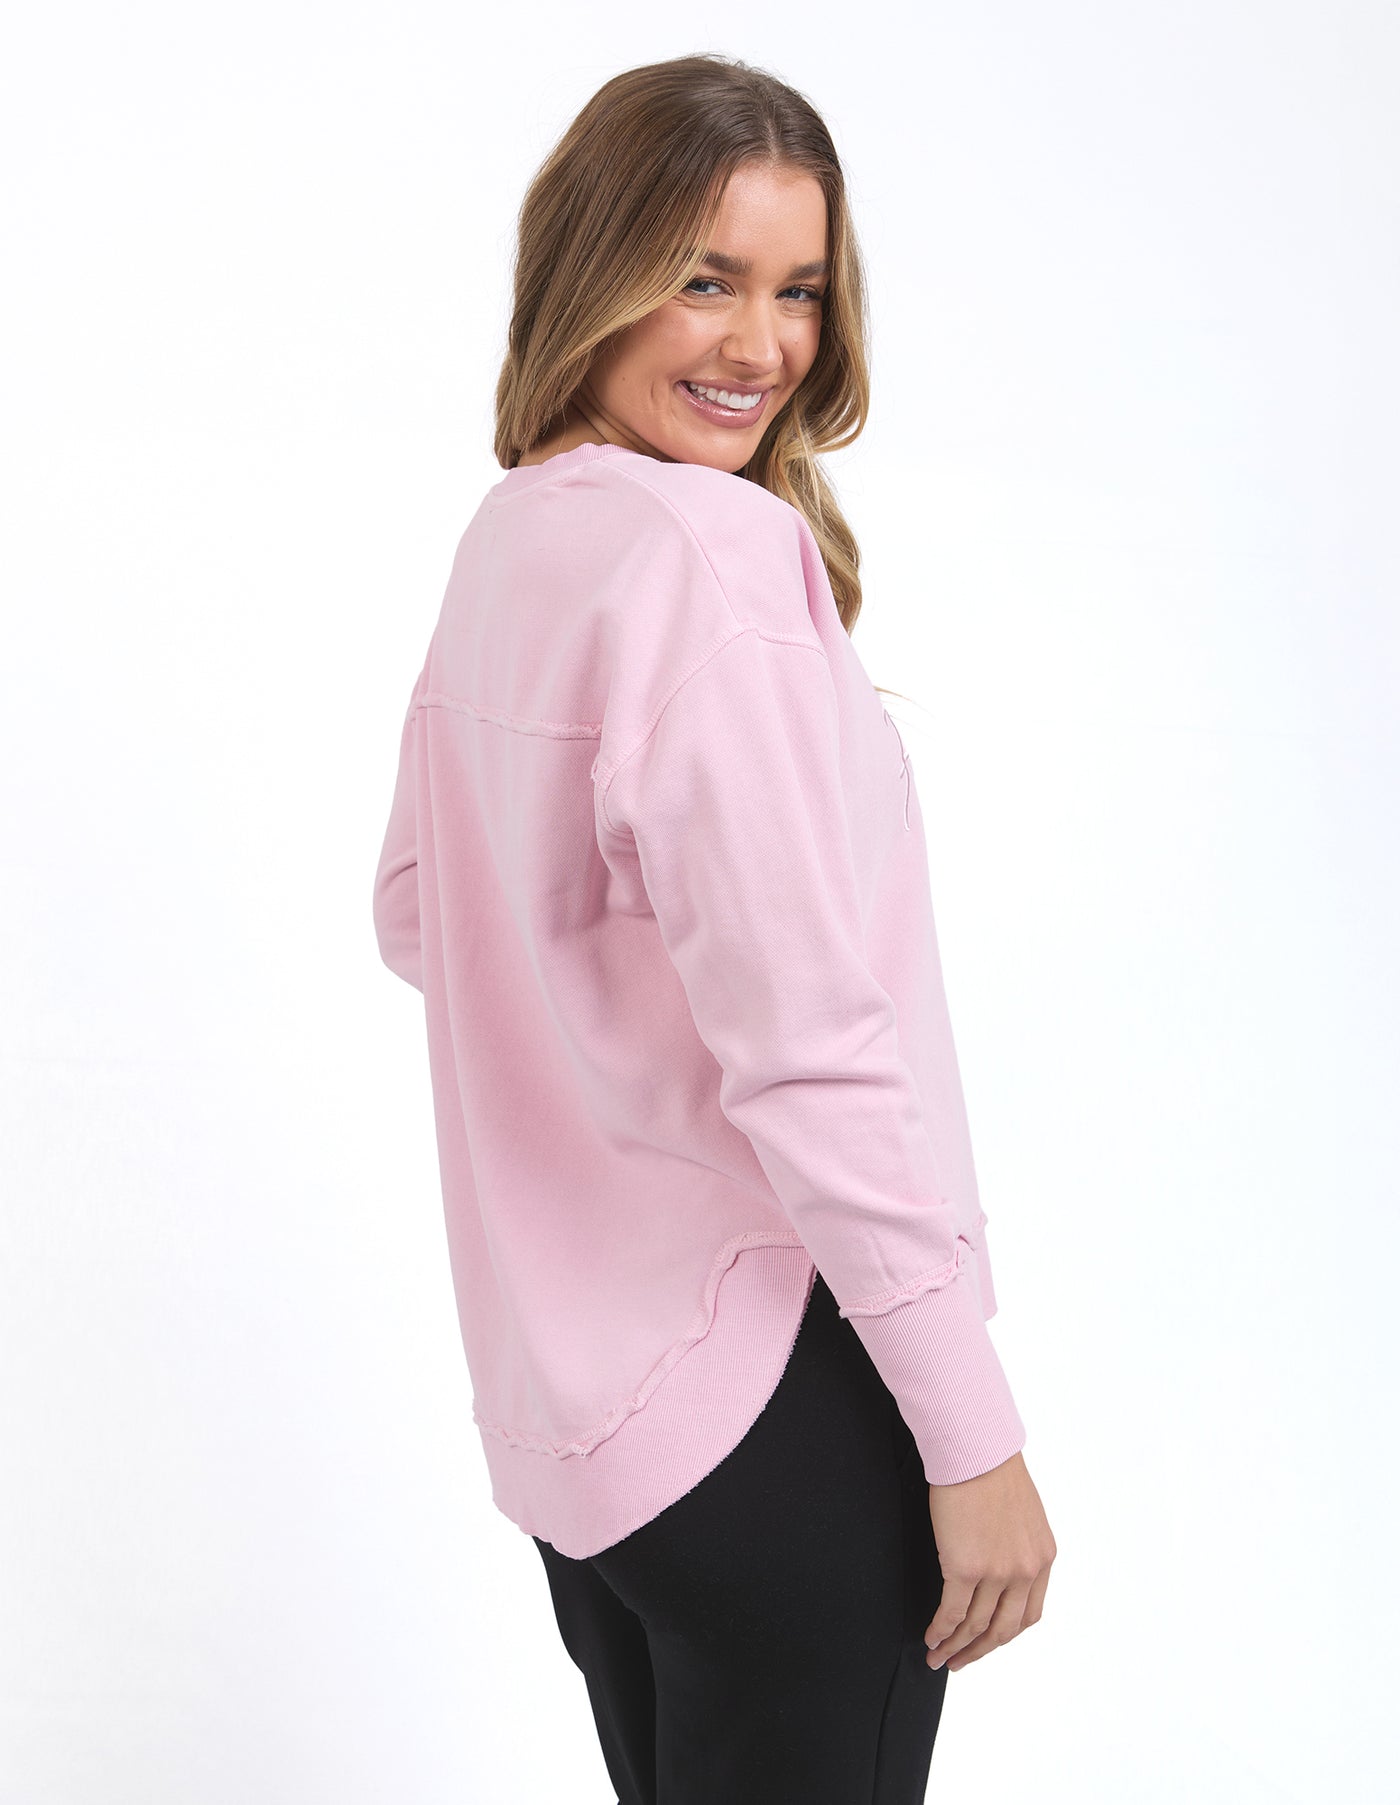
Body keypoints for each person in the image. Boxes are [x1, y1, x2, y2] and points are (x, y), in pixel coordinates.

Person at [372, 51, 1056, 1805]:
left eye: (799, 289)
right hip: (776, 1393)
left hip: (592, 1442)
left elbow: (421, 915)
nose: (761, 344)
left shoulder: (515, 541)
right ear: (594, 271)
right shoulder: (710, 562)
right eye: (704, 278)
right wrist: (971, 1431)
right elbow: (810, 1043)